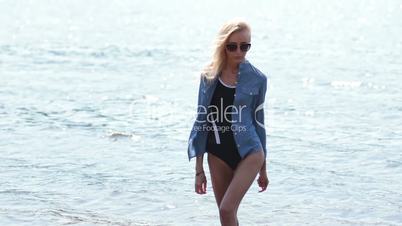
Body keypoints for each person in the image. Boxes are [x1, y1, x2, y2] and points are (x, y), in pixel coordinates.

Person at [187, 18, 269, 226]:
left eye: (245, 46)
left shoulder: (258, 79)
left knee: (227, 208)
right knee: (225, 216)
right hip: (217, 154)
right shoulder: (208, 76)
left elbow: (259, 122)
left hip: (250, 152)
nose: (239, 52)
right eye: (233, 46)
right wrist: (198, 169)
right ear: (223, 46)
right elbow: (201, 121)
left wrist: (263, 167)